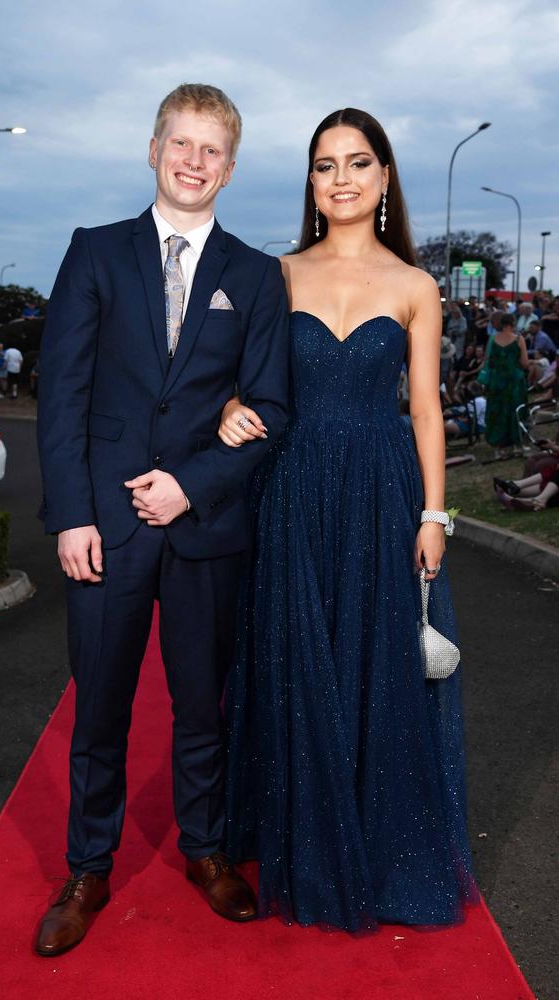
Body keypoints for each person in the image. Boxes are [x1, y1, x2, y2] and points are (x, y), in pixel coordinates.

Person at [35, 83, 290, 957]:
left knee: (201, 709)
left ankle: (208, 851)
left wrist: (191, 483)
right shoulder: (95, 253)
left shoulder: (256, 275)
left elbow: (270, 407)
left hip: (204, 526)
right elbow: (62, 394)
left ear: (230, 166)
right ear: (153, 150)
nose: (192, 161)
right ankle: (87, 868)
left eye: (210, 149)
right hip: (104, 527)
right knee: (99, 708)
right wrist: (71, 514)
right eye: (178, 143)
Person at [223, 108, 477, 930]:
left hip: (382, 488)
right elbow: (241, 383)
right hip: (292, 490)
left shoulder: (415, 285)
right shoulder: (277, 276)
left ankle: (380, 845)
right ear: (311, 182)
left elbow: (429, 412)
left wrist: (435, 514)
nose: (341, 178)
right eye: (325, 164)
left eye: (358, 162)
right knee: (301, 661)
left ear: (384, 179)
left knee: (376, 661)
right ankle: (307, 841)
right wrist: (229, 405)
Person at [483, 312, 529, 459]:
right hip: (514, 381)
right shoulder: (519, 339)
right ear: (513, 324)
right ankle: (516, 445)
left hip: (497, 381)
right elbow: (524, 363)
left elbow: (488, 360)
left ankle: (498, 448)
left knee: (497, 412)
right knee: (515, 411)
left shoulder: (493, 339)